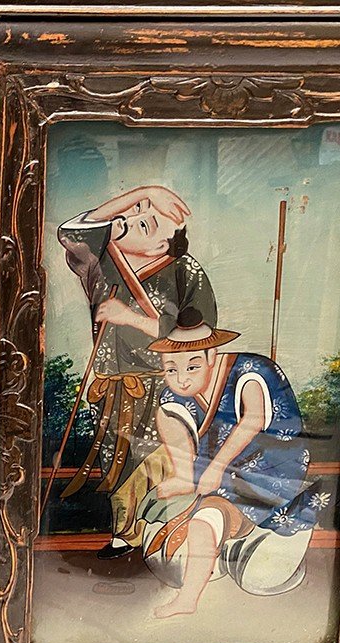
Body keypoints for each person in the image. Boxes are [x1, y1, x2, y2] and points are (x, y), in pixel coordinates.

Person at [56, 185, 218, 563]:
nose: (135, 218)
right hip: (115, 388)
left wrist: (129, 317)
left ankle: (167, 532)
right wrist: (145, 192)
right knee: (117, 461)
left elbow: (202, 333)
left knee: (164, 459)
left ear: (165, 244)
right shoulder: (103, 263)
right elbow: (71, 233)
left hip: (165, 385)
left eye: (150, 221)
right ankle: (126, 533)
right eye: (131, 215)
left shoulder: (185, 271)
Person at [137, 308, 324, 618]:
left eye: (192, 367)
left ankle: (191, 595)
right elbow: (176, 426)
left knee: (210, 515)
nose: (181, 379)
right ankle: (205, 538)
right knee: (166, 413)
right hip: (214, 464)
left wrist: (216, 469)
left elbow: (253, 420)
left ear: (212, 355)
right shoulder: (176, 396)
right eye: (171, 369)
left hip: (271, 460)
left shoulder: (252, 370)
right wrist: (189, 473)